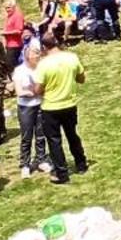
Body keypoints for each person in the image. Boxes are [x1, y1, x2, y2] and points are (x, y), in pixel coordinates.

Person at [35, 31, 88, 185]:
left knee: (54, 141)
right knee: (72, 135)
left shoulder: (43, 64)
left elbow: (37, 90)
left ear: (44, 47)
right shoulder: (71, 57)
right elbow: (81, 78)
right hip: (70, 104)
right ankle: (81, 163)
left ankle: (61, 172)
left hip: (51, 107)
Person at [11, 39, 45, 177]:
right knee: (26, 136)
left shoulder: (40, 69)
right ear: (27, 56)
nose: (38, 56)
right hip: (26, 108)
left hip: (40, 105)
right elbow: (20, 92)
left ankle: (41, 159)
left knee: (41, 134)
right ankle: (25, 163)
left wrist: (32, 91)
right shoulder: (19, 71)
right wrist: (33, 92)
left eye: (38, 54)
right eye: (35, 54)